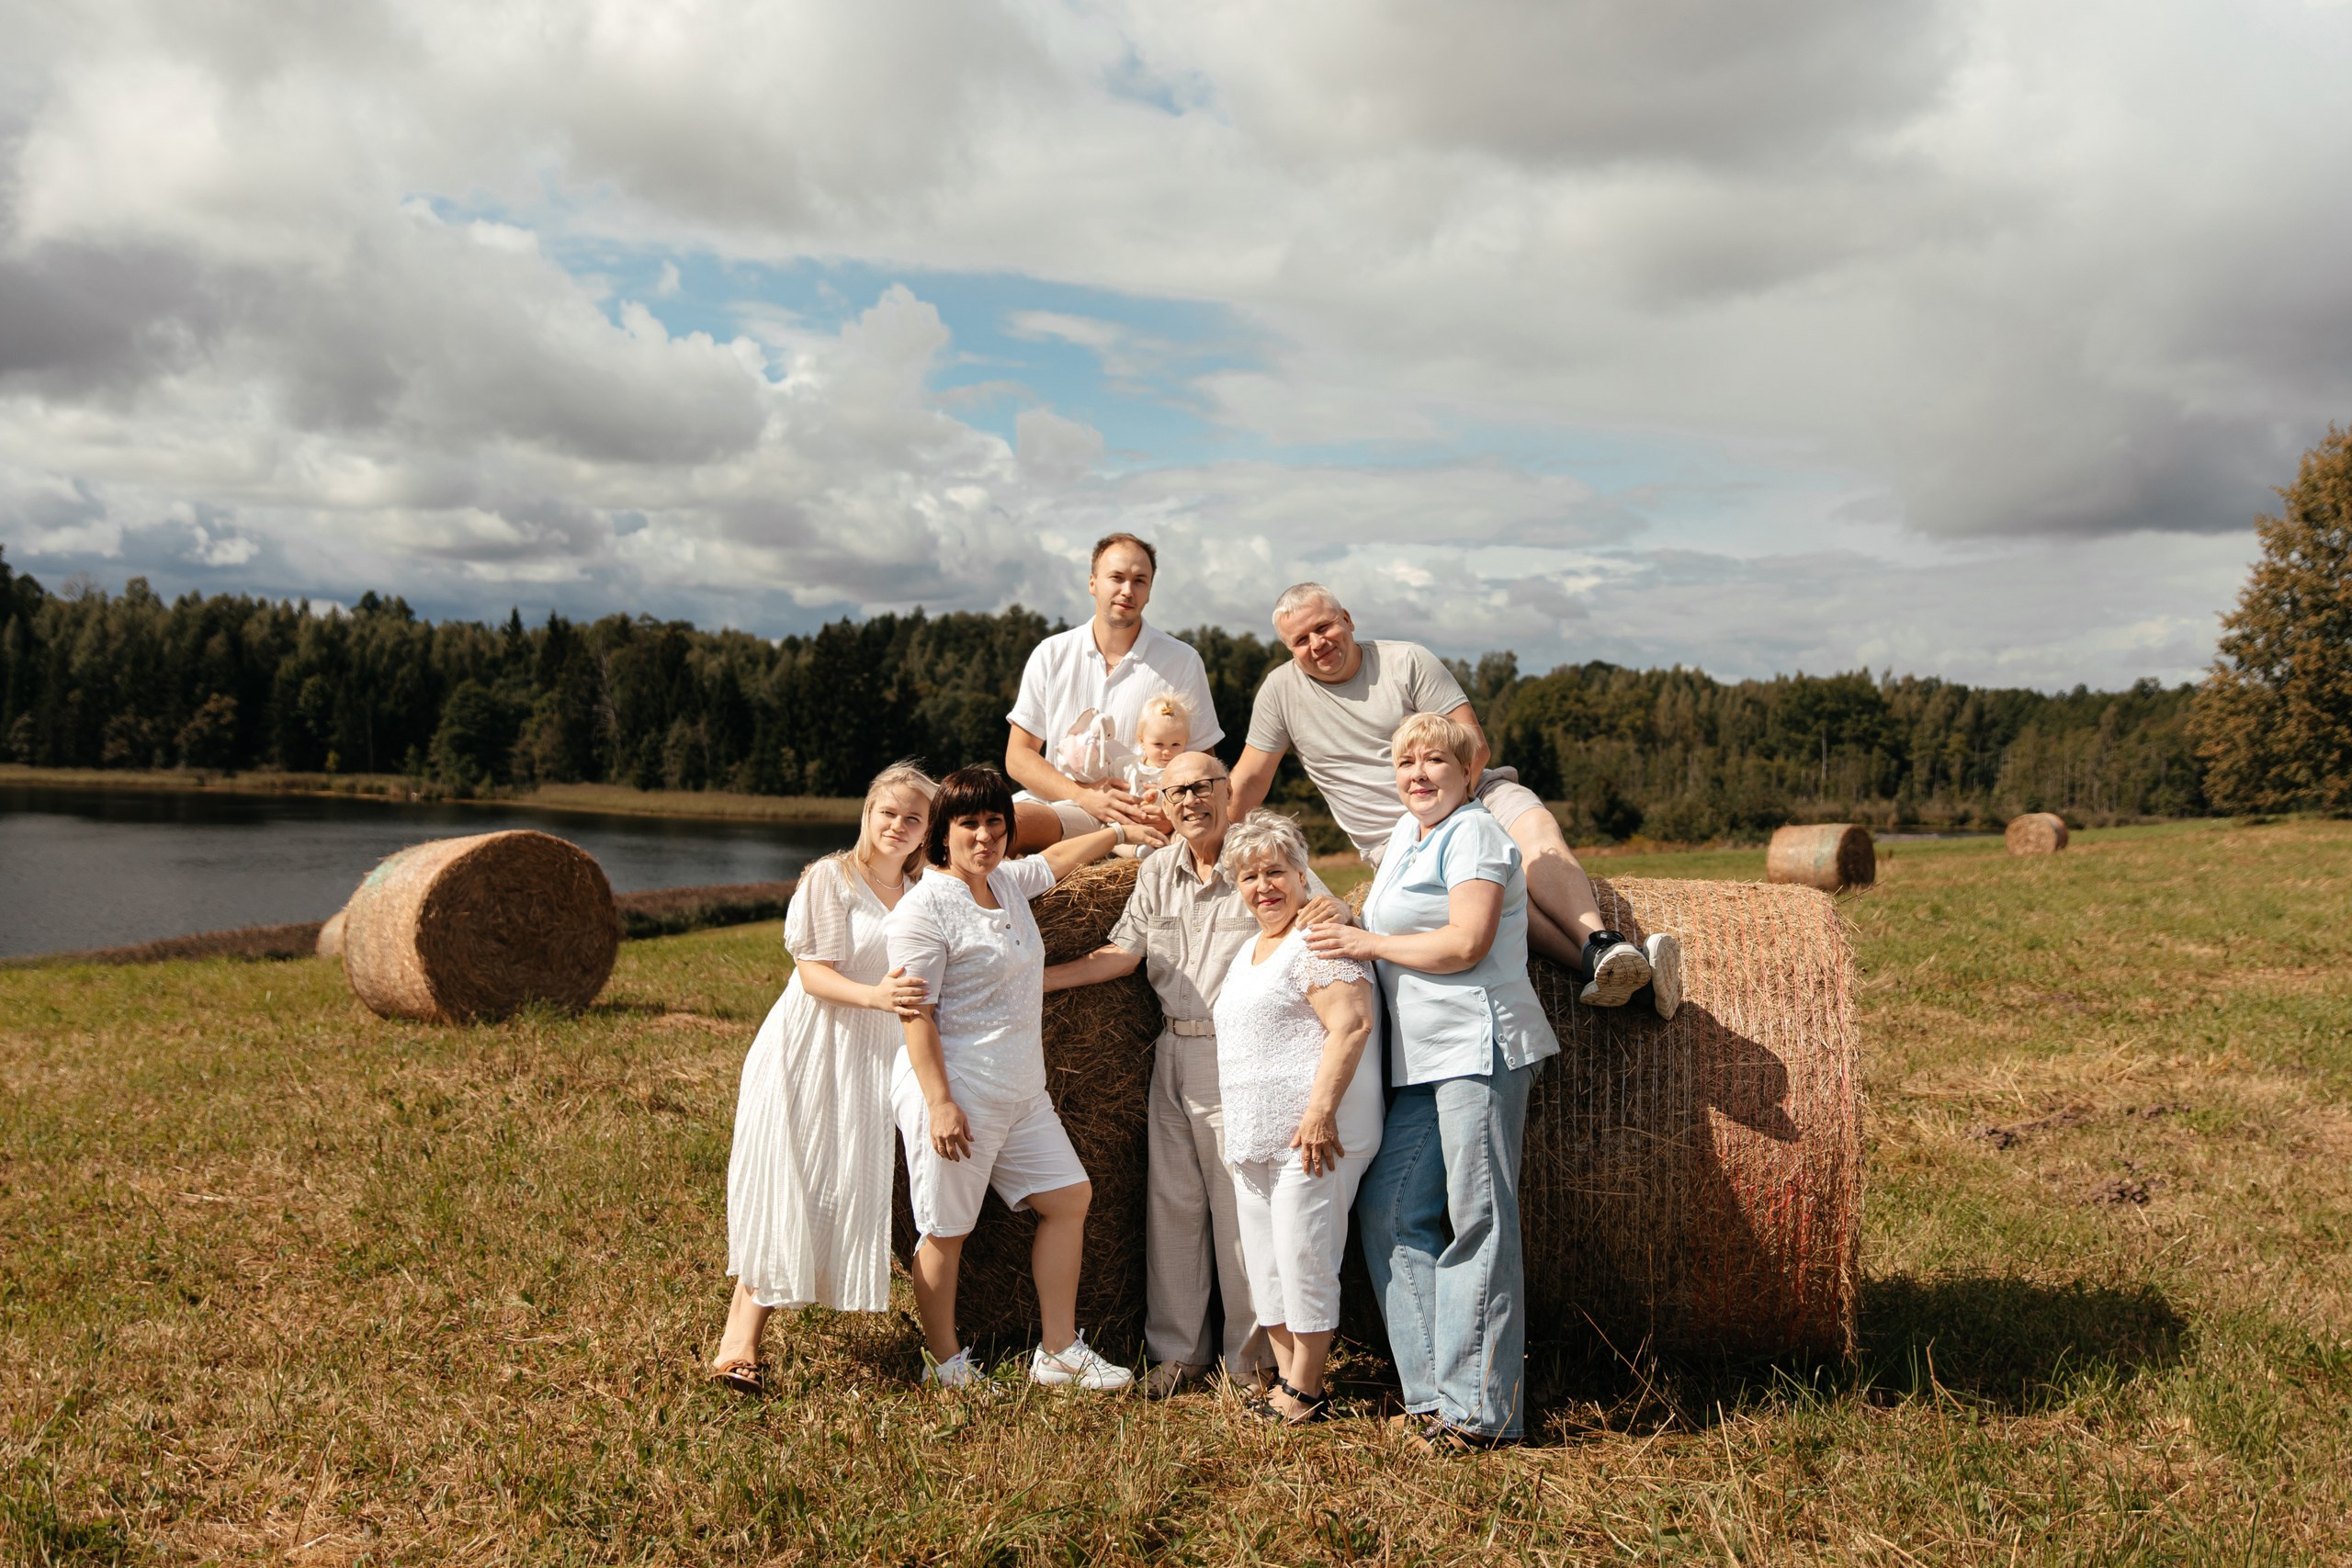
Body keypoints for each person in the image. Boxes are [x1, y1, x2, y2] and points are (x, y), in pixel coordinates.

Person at [1043, 751, 1351, 1396]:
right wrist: (1033, 981)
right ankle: (1178, 1355)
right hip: (1170, 1050)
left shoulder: (1254, 860)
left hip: (1236, 1054)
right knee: (1173, 1206)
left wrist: (1342, 914)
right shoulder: (1157, 870)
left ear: (1225, 789)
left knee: (1239, 1212)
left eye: (1203, 786)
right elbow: (1121, 954)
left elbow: (1325, 909)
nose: (1190, 800)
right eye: (1176, 790)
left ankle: (1249, 1364)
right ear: (1162, 801)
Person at [1229, 582, 1679, 1018]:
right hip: (1396, 839)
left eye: (1324, 627)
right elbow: (1249, 779)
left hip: (1472, 790)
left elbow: (1475, 746)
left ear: (1347, 619)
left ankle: (1600, 941)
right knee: (1496, 895)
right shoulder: (1280, 692)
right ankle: (1611, 972)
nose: (1317, 644)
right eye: (1300, 640)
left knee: (1535, 831)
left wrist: (1454, 818)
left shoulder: (1407, 661)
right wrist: (1208, 839)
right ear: (1289, 648)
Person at [1305, 713, 1557, 1450]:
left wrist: (1365, 939)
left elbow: (1465, 941)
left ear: (1468, 771)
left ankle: (1481, 1414)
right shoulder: (1404, 837)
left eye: (1436, 760)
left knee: (1479, 1219)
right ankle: (1433, 1397)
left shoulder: (1474, 832)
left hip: (1478, 1046)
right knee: (1387, 1211)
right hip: (1417, 1059)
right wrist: (1343, 915)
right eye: (1406, 762)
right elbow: (1388, 925)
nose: (1419, 773)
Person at [888, 765, 1134, 1391]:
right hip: (959, 1088)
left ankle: (1058, 1350)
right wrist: (940, 1103)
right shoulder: (924, 910)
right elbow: (915, 1015)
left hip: (1023, 1090)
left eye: (996, 823)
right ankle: (944, 1363)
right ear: (942, 832)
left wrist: (1117, 831)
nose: (984, 836)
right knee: (946, 1229)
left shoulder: (1006, 883)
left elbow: (1056, 860)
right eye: (969, 824)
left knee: (1068, 1198)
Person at [711, 762, 937, 1393]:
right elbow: (813, 973)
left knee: (835, 1189)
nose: (898, 825)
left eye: (913, 817)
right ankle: (739, 1345)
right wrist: (878, 997)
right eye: (888, 812)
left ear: (927, 830)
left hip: (871, 1057)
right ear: (868, 812)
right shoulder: (830, 878)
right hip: (811, 1047)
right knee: (796, 1181)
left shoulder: (922, 889)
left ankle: (749, 1332)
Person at [1208, 809, 1382, 1427]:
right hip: (1256, 1137)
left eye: (1276, 872)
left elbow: (1352, 1024)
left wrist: (1320, 1112)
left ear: (1303, 875)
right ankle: (1288, 1380)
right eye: (1250, 876)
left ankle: (1306, 1390)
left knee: (1304, 1258)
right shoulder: (1250, 949)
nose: (1264, 887)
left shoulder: (1319, 939)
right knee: (1267, 1266)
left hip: (1313, 1136)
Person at [1004, 533, 1222, 853]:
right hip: (1063, 807)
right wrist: (1083, 796)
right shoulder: (1051, 653)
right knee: (1003, 823)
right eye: (1117, 578)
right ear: (1093, 583)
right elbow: (1018, 756)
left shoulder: (1182, 660)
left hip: (1143, 816)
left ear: (1149, 591)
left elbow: (1203, 762)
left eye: (1140, 581)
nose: (1127, 590)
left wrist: (1169, 810)